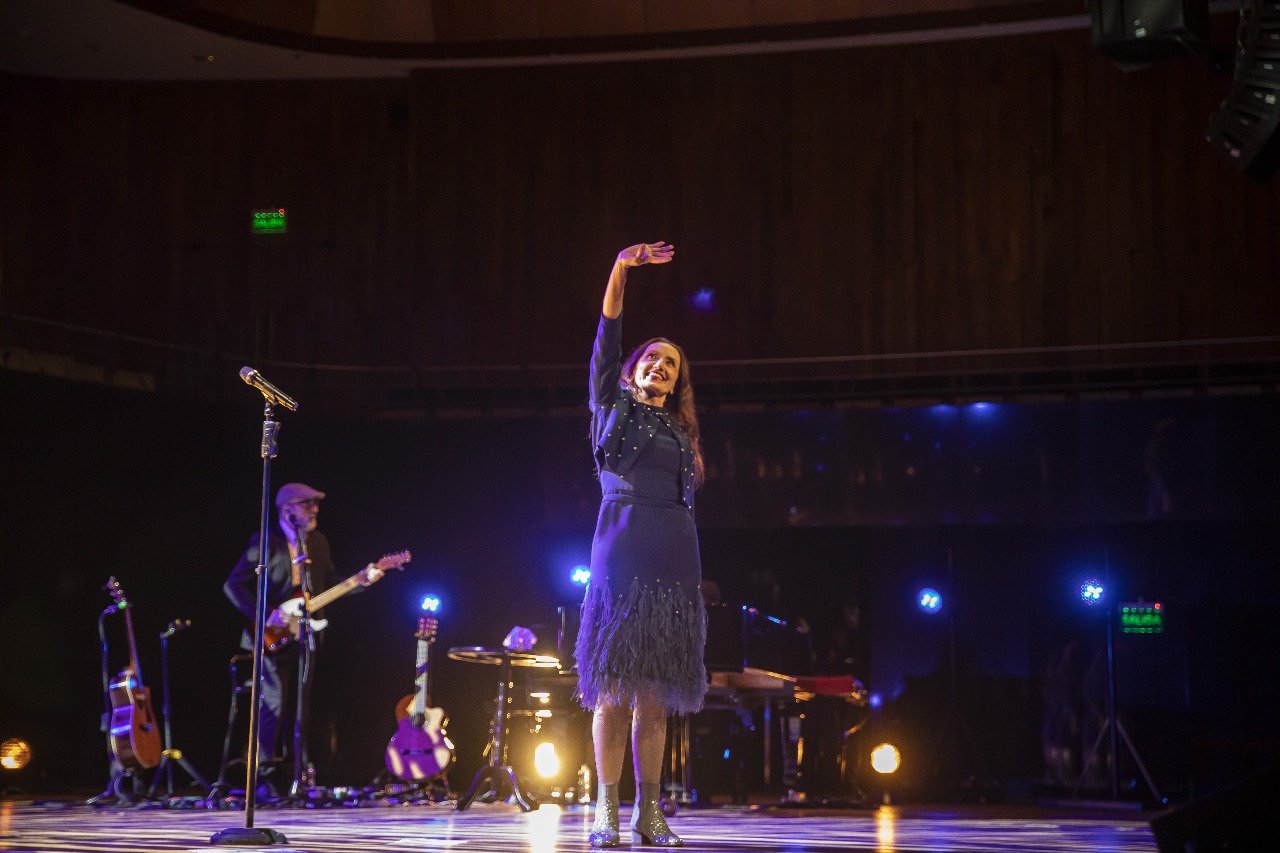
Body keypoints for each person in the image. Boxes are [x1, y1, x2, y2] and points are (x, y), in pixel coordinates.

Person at [575, 241, 707, 848]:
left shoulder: (679, 430)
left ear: (678, 382)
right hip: (622, 542)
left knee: (653, 695)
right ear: (633, 369)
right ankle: (605, 812)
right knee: (613, 688)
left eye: (671, 365)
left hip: (675, 548)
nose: (661, 367)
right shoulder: (611, 402)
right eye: (653, 359)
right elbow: (608, 330)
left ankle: (648, 813)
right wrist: (621, 268)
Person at [223, 482, 382, 794]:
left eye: (315, 503)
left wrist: (363, 580)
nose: (315, 509)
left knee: (303, 705)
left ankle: (299, 773)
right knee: (274, 702)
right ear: (287, 509)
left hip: (304, 634)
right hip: (269, 636)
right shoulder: (266, 540)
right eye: (307, 504)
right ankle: (263, 777)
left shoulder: (318, 542)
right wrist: (266, 613)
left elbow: (330, 584)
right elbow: (233, 585)